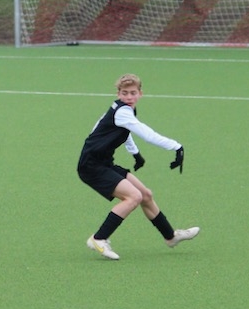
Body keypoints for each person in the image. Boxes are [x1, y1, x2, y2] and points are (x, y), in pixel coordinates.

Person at [77, 73, 197, 261]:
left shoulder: (122, 111)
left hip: (103, 163)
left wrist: (135, 153)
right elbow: (147, 134)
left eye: (133, 93)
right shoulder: (123, 112)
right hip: (91, 166)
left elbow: (123, 131)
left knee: (145, 195)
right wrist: (176, 146)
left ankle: (171, 237)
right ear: (118, 93)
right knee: (134, 196)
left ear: (140, 93)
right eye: (124, 93)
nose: (129, 97)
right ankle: (98, 238)